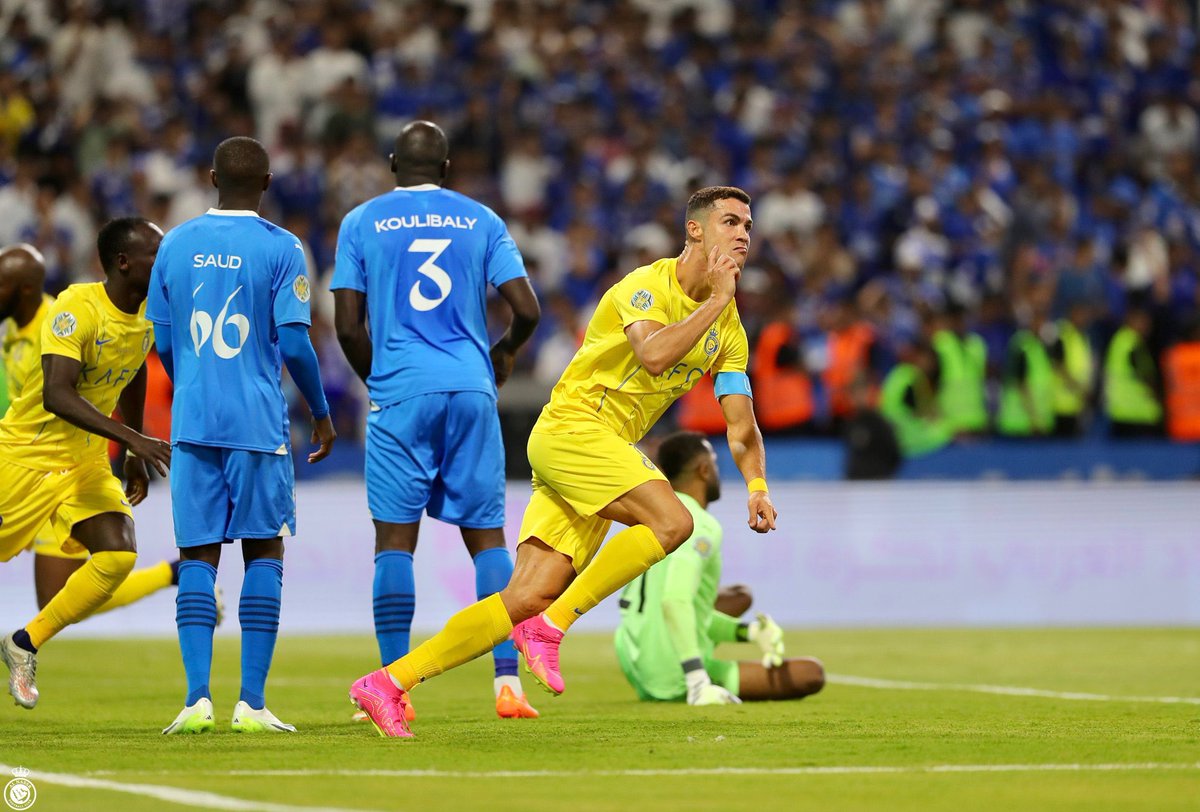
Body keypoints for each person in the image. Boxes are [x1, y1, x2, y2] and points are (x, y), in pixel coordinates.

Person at [350, 185, 778, 738]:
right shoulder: (645, 287)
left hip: (604, 452)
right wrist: (717, 301)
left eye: (748, 226)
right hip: (573, 429)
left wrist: (757, 486)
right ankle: (552, 627)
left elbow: (741, 425)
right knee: (673, 521)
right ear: (694, 229)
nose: (743, 235)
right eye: (730, 222)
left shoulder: (730, 331)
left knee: (526, 595)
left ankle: (388, 682)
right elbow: (653, 356)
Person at [331, 121, 541, 720]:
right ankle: (508, 684)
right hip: (471, 387)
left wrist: (381, 380)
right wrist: (504, 352)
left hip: (402, 390)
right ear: (446, 169)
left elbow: (347, 326)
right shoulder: (482, 219)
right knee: (487, 540)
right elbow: (527, 309)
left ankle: (392, 690)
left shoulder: (361, 222)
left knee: (395, 542)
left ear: (392, 163)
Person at [147, 136, 336, 735]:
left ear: (211, 178)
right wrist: (322, 411)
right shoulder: (282, 247)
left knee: (197, 555)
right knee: (263, 551)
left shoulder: (173, 244)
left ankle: (196, 700)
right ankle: (251, 703)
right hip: (256, 423)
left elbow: (165, 343)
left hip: (193, 423)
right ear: (268, 182)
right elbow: (298, 344)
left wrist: (195, 384)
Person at [0, 220, 173, 709]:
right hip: (25, 457)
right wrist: (134, 437)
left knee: (118, 553)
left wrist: (133, 453)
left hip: (85, 460)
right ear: (124, 262)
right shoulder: (77, 307)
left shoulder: (148, 315)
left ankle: (24, 643)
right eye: (156, 254)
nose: (165, 262)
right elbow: (56, 394)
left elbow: (133, 371)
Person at [0, 243, 199, 620]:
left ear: (24, 289)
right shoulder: (11, 329)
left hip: (64, 467)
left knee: (59, 595)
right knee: (58, 598)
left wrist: (132, 443)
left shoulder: (60, 322)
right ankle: (172, 573)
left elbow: (106, 377)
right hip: (22, 461)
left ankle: (172, 573)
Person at [615, 432, 824, 705]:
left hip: (635, 661)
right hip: (672, 671)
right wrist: (696, 678)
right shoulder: (697, 524)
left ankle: (684, 673)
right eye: (714, 463)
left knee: (738, 595)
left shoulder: (652, 518)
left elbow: (682, 610)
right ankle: (696, 681)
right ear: (704, 470)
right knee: (811, 673)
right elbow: (675, 602)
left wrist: (749, 632)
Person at [878, 341, 955, 458]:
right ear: (915, 357)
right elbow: (915, 408)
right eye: (926, 359)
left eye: (932, 360)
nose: (930, 364)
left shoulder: (899, 373)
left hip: (891, 430)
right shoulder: (912, 375)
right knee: (944, 431)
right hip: (905, 430)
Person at [1103, 305, 1162, 437]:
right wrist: (1158, 398)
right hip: (1138, 413)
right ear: (1131, 320)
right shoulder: (1132, 343)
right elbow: (1145, 376)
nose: (1147, 326)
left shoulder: (1119, 340)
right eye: (1143, 321)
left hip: (1120, 411)